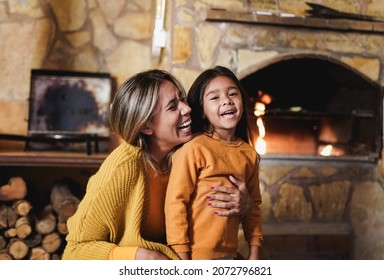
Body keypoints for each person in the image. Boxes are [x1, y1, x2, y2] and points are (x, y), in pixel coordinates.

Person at [62, 69, 253, 260]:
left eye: (182, 98)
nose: (187, 109)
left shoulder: (191, 153)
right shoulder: (123, 168)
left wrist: (245, 207)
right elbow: (74, 253)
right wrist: (139, 256)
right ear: (146, 126)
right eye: (172, 106)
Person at [164, 66, 263, 260]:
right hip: (193, 256)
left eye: (233, 93)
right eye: (214, 97)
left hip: (229, 256)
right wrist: (182, 258)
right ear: (202, 110)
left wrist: (255, 251)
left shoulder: (248, 154)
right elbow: (175, 204)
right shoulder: (194, 148)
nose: (227, 100)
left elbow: (253, 206)